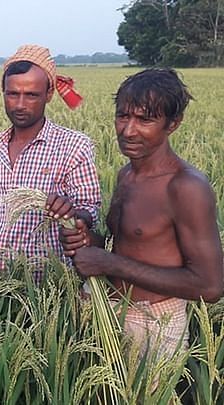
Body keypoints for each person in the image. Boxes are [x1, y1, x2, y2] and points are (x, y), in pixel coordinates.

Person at [60, 68, 223, 360]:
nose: (128, 130)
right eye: (123, 116)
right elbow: (127, 245)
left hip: (153, 325)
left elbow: (209, 286)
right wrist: (83, 236)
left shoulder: (185, 187)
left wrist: (109, 263)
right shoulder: (126, 174)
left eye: (145, 119)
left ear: (173, 124)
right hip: (104, 310)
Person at [0, 44, 101, 283]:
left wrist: (72, 212)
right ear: (3, 91)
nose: (20, 104)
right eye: (12, 94)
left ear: (49, 94)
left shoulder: (74, 146)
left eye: (31, 95)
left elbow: (90, 211)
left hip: (44, 284)